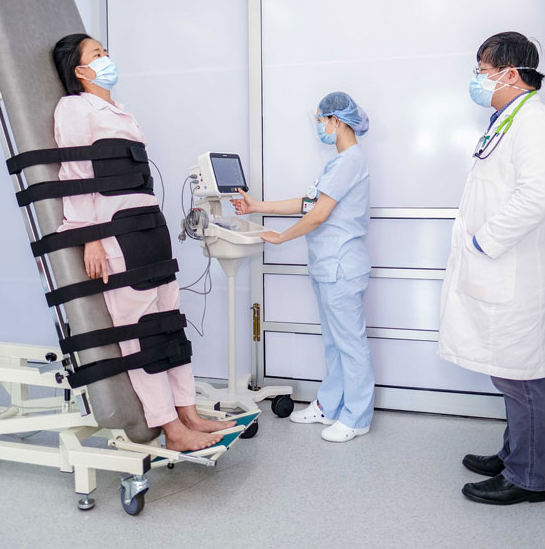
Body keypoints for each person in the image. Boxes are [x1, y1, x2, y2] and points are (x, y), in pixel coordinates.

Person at [51, 33, 234, 452]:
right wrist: (89, 238)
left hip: (148, 226)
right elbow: (76, 174)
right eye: (98, 54)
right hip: (114, 232)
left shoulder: (120, 111)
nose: (107, 57)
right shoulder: (75, 107)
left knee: (169, 324)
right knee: (141, 333)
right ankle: (171, 428)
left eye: (106, 51)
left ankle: (188, 412)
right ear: (80, 71)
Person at [439, 31, 545, 504]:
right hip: (496, 268)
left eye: (482, 70)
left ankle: (528, 478)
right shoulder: (509, 119)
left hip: (512, 270)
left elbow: (536, 196)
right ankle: (514, 453)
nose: (477, 79)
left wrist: (484, 242)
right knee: (509, 373)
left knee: (523, 376)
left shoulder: (535, 121)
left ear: (510, 73)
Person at [231, 92, 374, 443]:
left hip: (341, 265)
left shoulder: (349, 162)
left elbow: (319, 215)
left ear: (336, 121)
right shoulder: (338, 163)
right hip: (328, 266)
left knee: (350, 344)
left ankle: (357, 417)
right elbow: (307, 202)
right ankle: (328, 405)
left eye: (321, 120)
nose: (320, 127)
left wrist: (280, 238)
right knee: (334, 343)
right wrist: (255, 206)